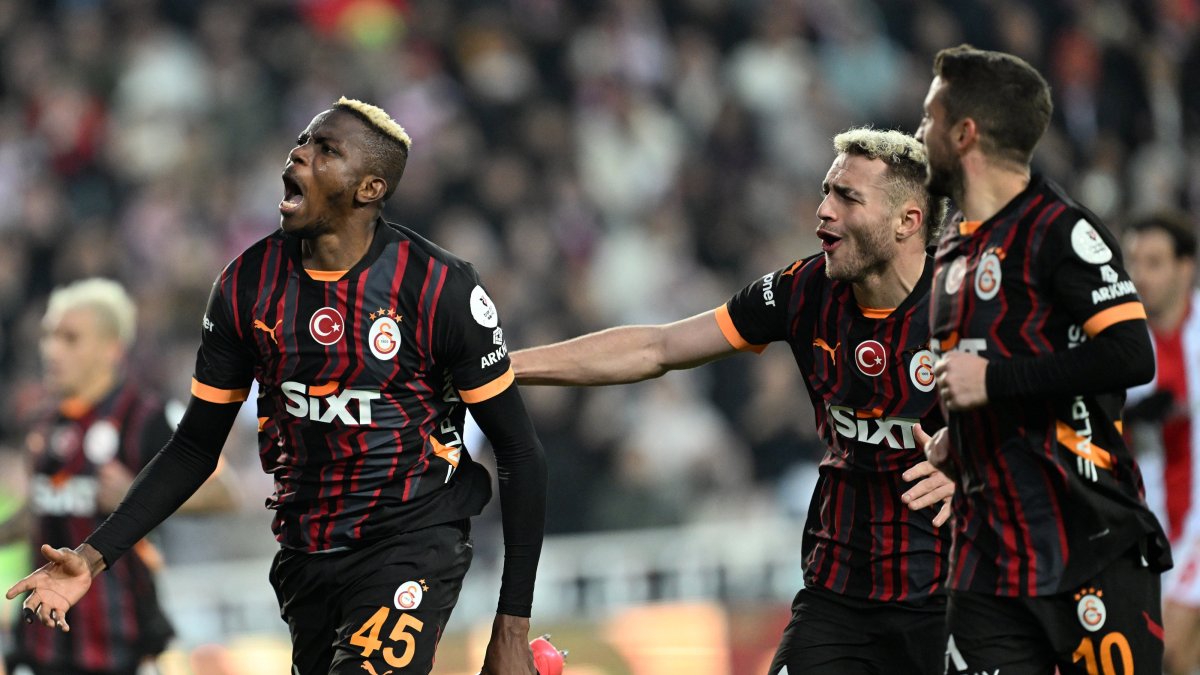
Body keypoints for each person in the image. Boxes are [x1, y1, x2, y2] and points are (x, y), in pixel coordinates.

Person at [5, 98, 548, 675]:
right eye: (303, 142)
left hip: (411, 543)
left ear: (369, 188)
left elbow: (520, 452)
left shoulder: (440, 287)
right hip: (305, 556)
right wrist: (91, 559)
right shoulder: (246, 285)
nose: (299, 154)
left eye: (325, 150)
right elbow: (193, 449)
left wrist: (511, 628)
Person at [512, 127, 953, 675]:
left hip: (955, 596)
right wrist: (504, 368)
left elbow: (1067, 409)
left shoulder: (970, 305)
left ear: (907, 221)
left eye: (847, 197)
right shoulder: (803, 289)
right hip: (840, 598)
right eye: (826, 190)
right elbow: (659, 347)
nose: (823, 210)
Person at [915, 44, 1171, 674]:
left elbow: (1131, 354)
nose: (919, 135)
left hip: (1085, 538)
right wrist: (965, 436)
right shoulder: (951, 243)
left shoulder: (1060, 229)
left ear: (965, 132)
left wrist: (995, 385)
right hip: (986, 558)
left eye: (928, 120)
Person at [0, 278, 237, 675]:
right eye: (49, 336)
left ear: (111, 348)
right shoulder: (42, 422)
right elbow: (45, 510)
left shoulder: (148, 416)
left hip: (121, 642)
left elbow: (226, 494)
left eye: (69, 338)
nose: (51, 350)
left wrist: (138, 495)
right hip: (42, 645)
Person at [1121, 212, 1199, 674]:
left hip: (1195, 524)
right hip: (1149, 529)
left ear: (1185, 267)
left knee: (1167, 650)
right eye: (1134, 261)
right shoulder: (1125, 344)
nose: (1140, 276)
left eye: (1154, 262)